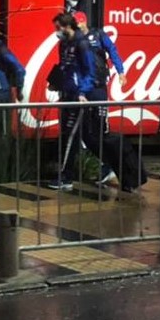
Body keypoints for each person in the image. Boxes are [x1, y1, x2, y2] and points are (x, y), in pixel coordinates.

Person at [73, 11, 126, 184]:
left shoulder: (98, 35)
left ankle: (110, 167)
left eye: (77, 24)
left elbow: (113, 50)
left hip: (98, 87)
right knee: (84, 130)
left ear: (83, 22)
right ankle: (100, 165)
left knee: (101, 128)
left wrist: (121, 72)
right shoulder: (74, 41)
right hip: (83, 89)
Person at [49, 13, 98, 191]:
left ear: (67, 26)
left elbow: (89, 71)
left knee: (70, 135)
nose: (56, 31)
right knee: (84, 136)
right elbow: (64, 67)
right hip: (67, 94)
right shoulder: (64, 44)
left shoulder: (82, 43)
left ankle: (66, 177)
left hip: (78, 97)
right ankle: (111, 165)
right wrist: (56, 82)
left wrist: (83, 92)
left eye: (57, 27)